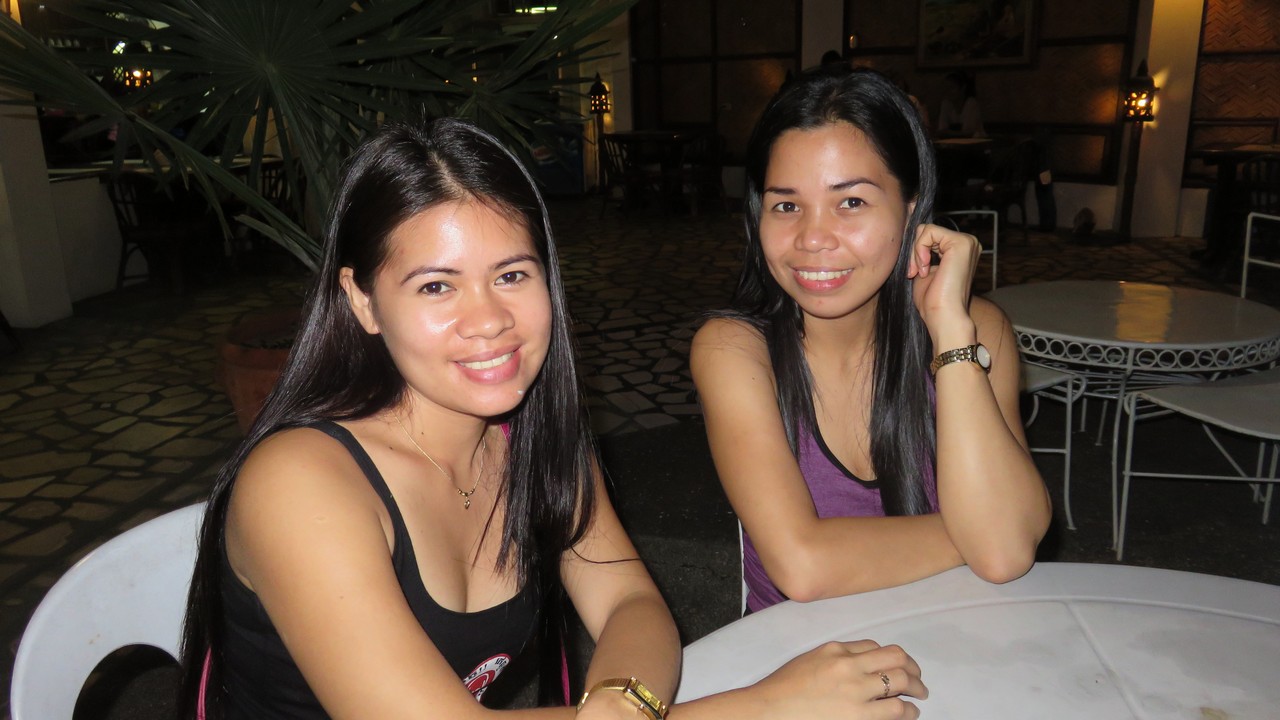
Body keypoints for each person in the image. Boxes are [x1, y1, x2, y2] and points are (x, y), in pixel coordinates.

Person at [178, 117, 927, 719]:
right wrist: (765, 707)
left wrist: (622, 703)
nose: (489, 321)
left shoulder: (532, 440)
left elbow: (631, 601)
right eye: (437, 287)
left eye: (511, 275)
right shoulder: (302, 483)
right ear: (363, 301)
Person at [691, 66, 1050, 614]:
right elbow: (803, 566)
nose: (812, 238)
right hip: (795, 653)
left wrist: (950, 332)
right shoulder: (733, 350)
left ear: (910, 210)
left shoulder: (978, 330)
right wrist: (981, 534)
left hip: (954, 630)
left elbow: (1003, 555)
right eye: (786, 205)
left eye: (851, 202)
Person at [936, 71, 985, 138]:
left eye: (952, 88)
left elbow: (969, 132)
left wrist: (949, 133)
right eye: (946, 88)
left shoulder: (971, 103)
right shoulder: (946, 104)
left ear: (963, 88)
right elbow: (942, 129)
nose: (948, 91)